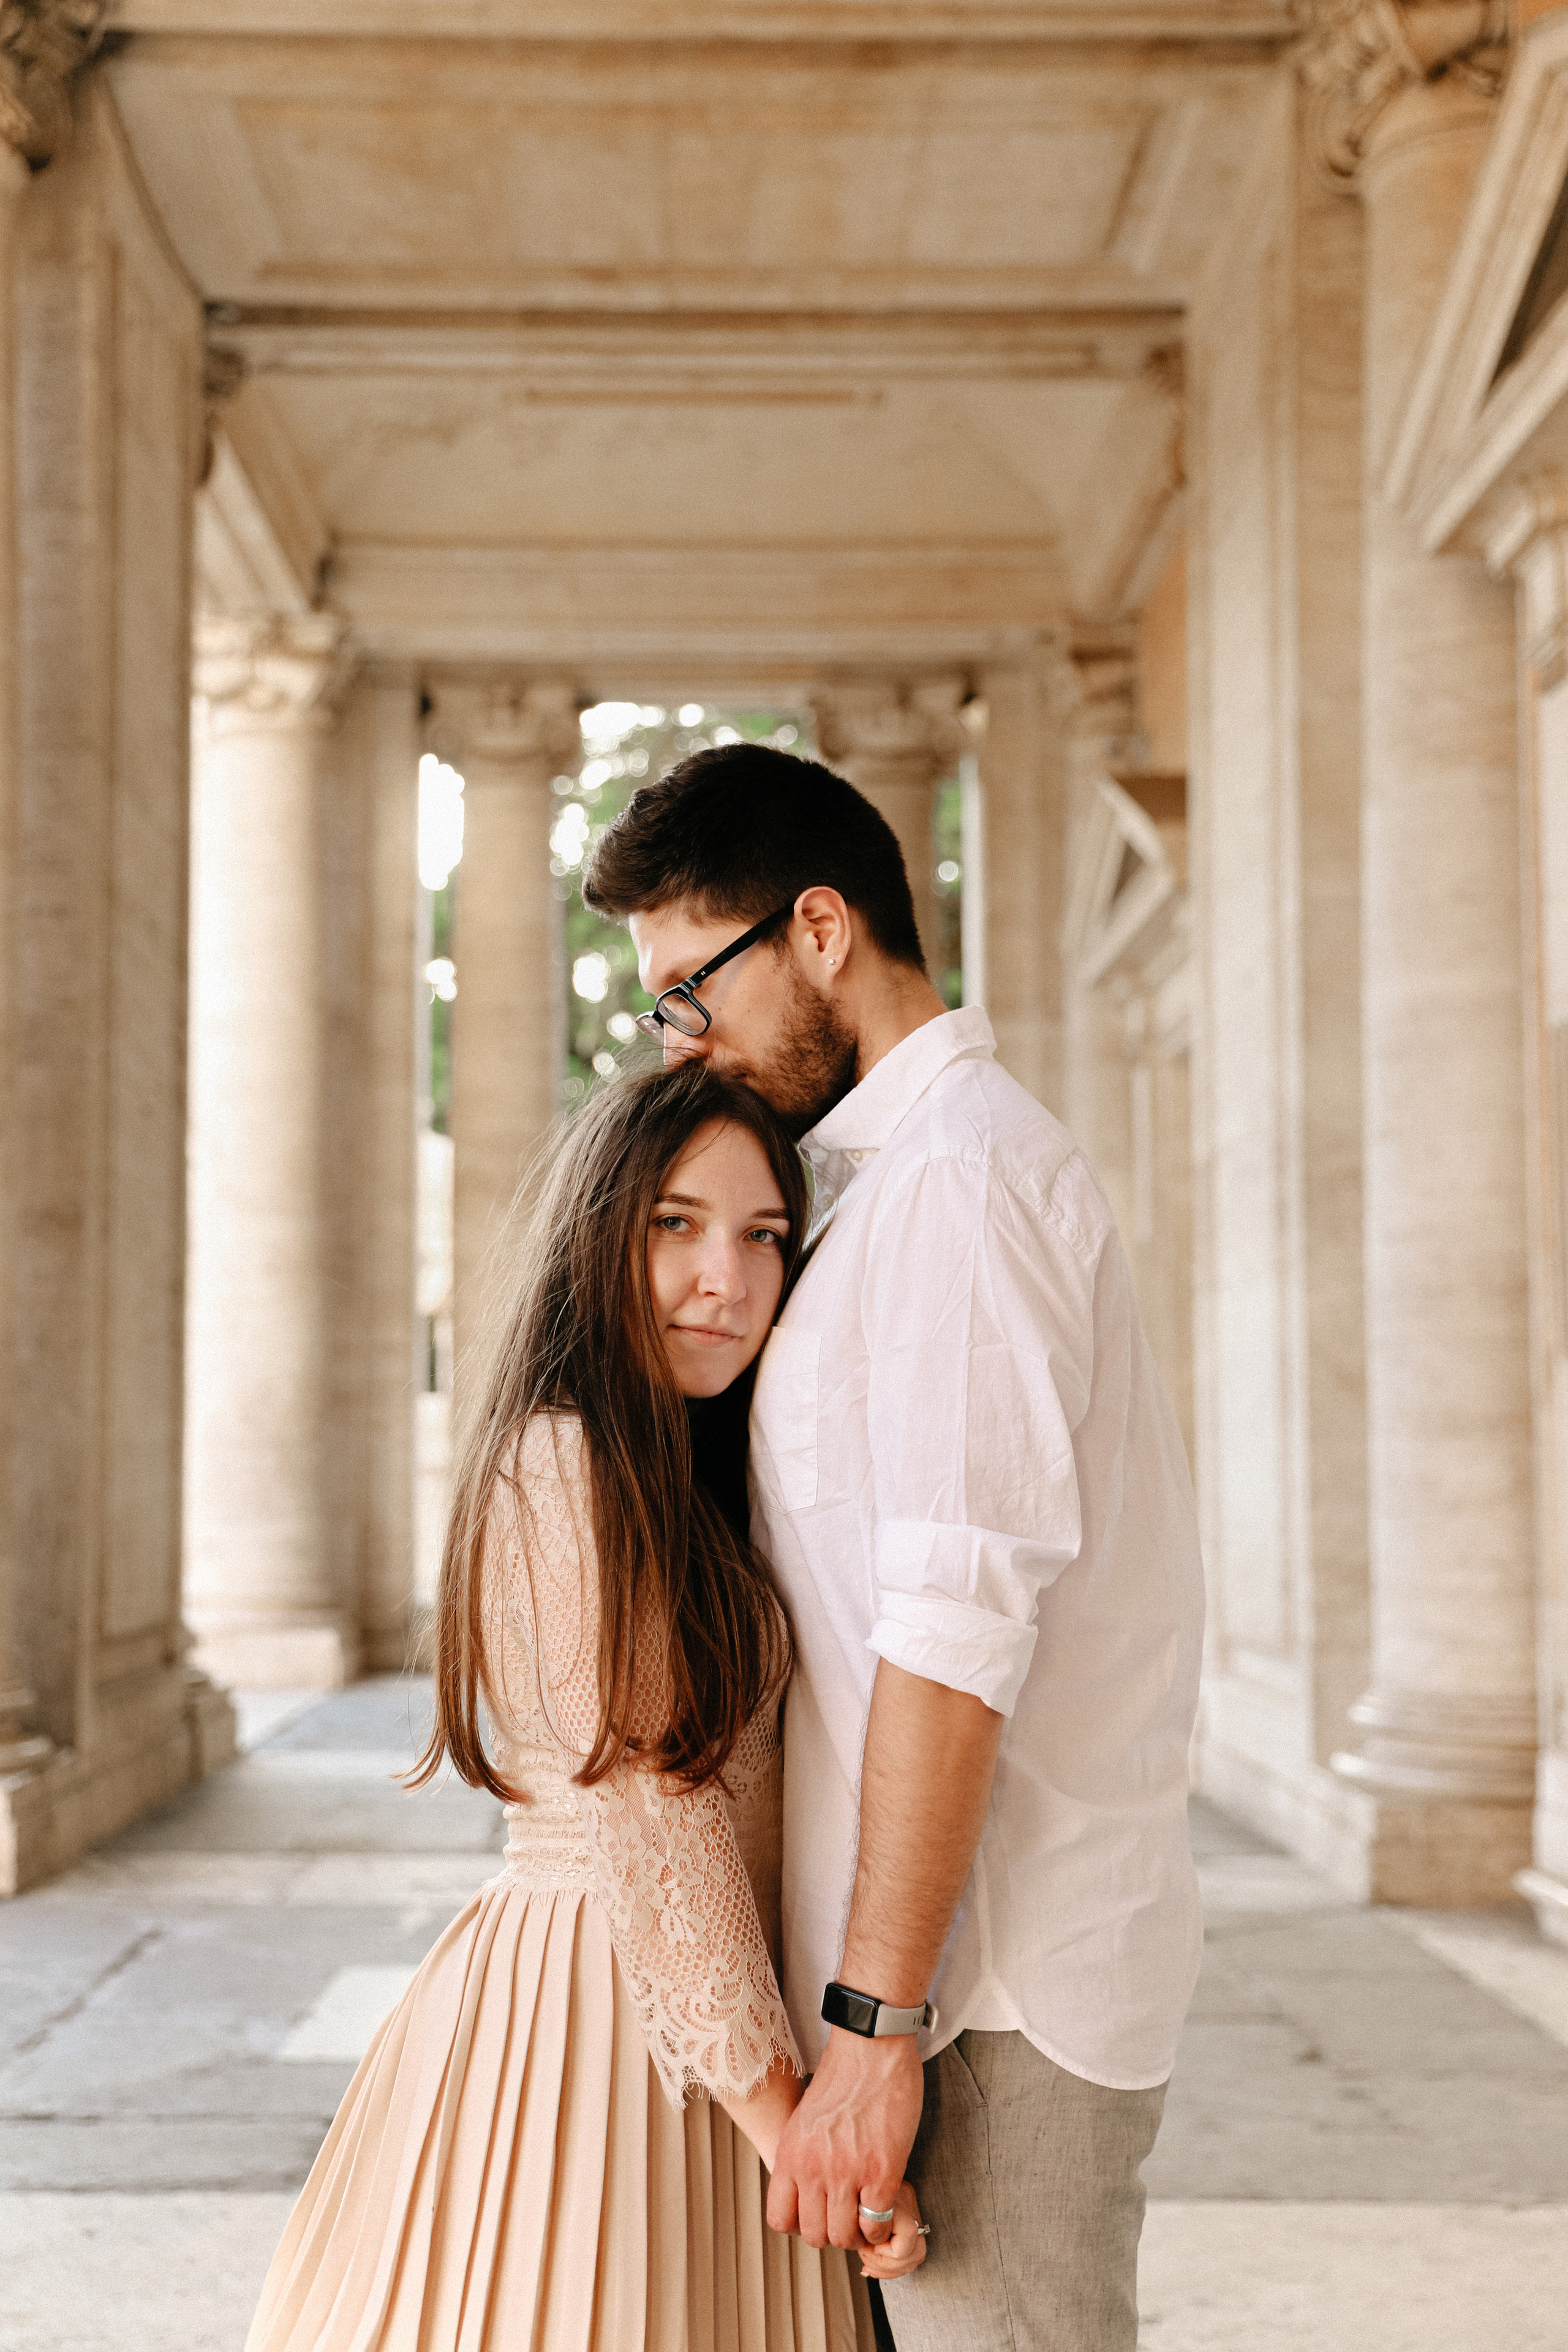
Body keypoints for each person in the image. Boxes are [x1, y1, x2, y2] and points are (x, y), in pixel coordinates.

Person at [583, 746, 1205, 2352]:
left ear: (815, 931)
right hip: (948, 1994)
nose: (682, 1042)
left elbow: (951, 1640)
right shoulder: (886, 1187)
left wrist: (874, 2027)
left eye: (688, 989)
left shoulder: (954, 1192)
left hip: (984, 2004)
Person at [245, 1061, 925, 2352]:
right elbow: (656, 1826)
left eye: (762, 1236)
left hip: (706, 2027)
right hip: (605, 2010)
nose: (723, 1278)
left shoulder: (695, 1470)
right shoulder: (563, 1462)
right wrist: (805, 2138)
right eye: (674, 1225)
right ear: (597, 1232)